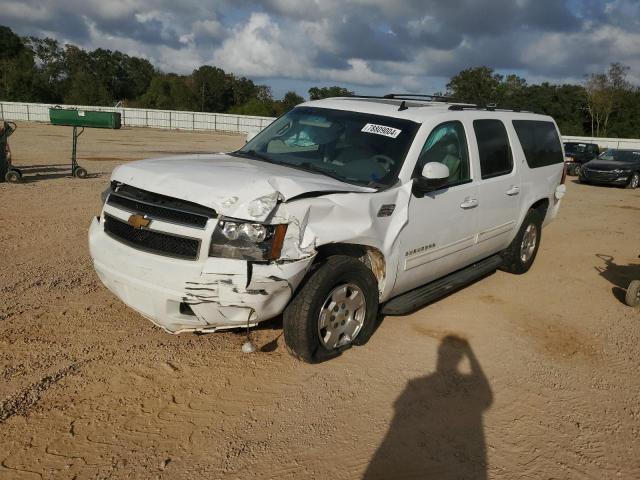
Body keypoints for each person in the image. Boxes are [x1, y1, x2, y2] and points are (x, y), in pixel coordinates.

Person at [364, 335, 493, 479]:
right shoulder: (419, 383)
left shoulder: (417, 383)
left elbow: (398, 406)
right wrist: (470, 354)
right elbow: (487, 398)